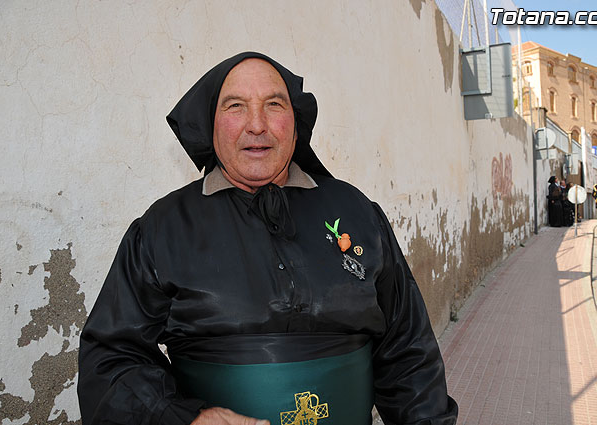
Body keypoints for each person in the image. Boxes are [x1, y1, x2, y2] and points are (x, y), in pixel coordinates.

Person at [77, 52, 458, 425]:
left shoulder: (357, 213)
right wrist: (183, 417)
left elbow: (408, 350)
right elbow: (110, 356)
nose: (256, 125)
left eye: (274, 104)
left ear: (295, 123)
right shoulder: (162, 229)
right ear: (211, 123)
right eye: (236, 106)